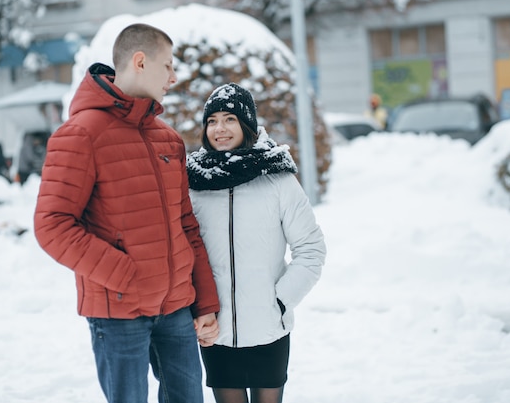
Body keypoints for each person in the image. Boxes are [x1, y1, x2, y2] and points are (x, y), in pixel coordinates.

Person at [33, 23, 220, 403]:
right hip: (118, 315)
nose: (174, 76)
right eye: (167, 65)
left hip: (176, 310)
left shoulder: (167, 139)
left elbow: (186, 225)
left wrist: (205, 302)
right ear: (139, 61)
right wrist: (123, 274)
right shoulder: (80, 134)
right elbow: (51, 225)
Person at [186, 83, 327, 403]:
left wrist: (279, 300)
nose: (219, 128)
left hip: (269, 328)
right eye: (212, 121)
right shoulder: (193, 182)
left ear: (246, 124)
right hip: (215, 329)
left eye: (229, 119)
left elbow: (311, 248)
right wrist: (197, 307)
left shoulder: (277, 178)